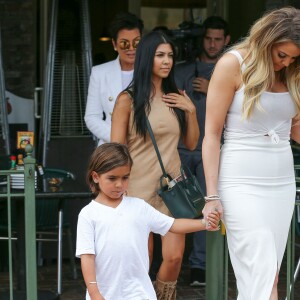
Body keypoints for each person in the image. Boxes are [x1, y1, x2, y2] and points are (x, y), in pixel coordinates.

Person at [202, 7, 300, 300]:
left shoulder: (294, 71)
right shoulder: (232, 64)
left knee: (269, 276)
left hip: (280, 183)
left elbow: (295, 130)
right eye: (281, 55)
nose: (285, 63)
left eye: (293, 58)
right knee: (261, 272)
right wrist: (211, 195)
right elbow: (211, 134)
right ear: (266, 40)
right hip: (240, 181)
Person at [111, 31, 205, 299]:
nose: (167, 61)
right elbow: (116, 151)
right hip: (138, 189)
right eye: (160, 55)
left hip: (173, 189)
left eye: (170, 56)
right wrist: (118, 190)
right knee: (144, 259)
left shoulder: (174, 97)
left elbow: (190, 143)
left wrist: (190, 111)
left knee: (174, 258)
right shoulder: (127, 100)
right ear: (146, 58)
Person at [76, 142, 220, 300]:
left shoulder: (139, 207)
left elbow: (173, 225)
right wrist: (94, 292)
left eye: (125, 178)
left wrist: (205, 223)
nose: (119, 184)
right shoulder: (88, 214)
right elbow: (87, 257)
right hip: (104, 295)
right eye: (112, 178)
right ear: (95, 177)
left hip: (140, 293)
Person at [175, 16, 230, 287]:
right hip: (182, 149)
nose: (212, 43)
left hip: (214, 150)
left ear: (227, 40)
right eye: (208, 38)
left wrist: (212, 91)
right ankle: (171, 266)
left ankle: (201, 268)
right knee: (177, 208)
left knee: (208, 208)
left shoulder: (231, 69)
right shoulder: (183, 70)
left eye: (218, 39)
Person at [84, 12, 144, 146]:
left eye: (136, 43)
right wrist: (118, 137)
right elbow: (92, 117)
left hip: (145, 148)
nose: (131, 49)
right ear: (114, 44)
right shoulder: (99, 72)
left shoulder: (151, 72)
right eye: (124, 43)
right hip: (112, 146)